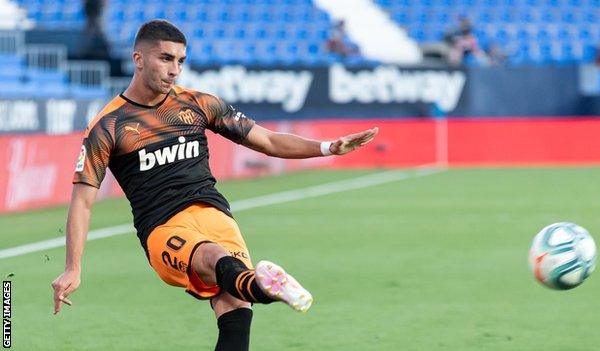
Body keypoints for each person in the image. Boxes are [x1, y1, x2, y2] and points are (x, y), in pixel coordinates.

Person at [51, 19, 378, 351]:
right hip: (164, 226)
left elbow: (266, 140)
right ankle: (269, 289)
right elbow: (83, 201)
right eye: (165, 58)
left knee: (236, 305)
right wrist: (72, 268)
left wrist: (327, 147)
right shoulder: (109, 125)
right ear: (138, 59)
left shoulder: (198, 103)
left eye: (180, 60)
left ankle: (264, 289)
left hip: (215, 214)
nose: (174, 69)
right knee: (213, 258)